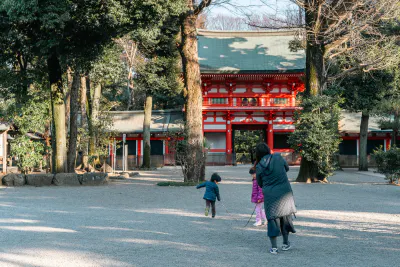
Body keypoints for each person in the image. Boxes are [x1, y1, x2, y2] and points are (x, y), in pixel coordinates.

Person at [255, 143, 296, 255]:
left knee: (272, 219)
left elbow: (260, 183)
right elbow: (286, 168)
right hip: (284, 191)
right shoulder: (278, 157)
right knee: (285, 217)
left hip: (270, 195)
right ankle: (286, 243)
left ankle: (274, 248)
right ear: (268, 150)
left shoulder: (259, 166)